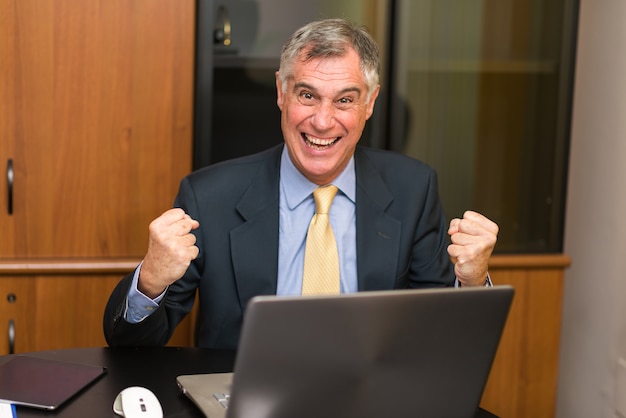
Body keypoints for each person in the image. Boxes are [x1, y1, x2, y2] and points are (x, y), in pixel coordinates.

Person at [103, 18, 498, 350]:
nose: (323, 122)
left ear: (371, 103)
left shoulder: (414, 188)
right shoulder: (209, 197)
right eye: (308, 95)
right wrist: (151, 280)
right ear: (281, 92)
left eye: (345, 100)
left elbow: (442, 343)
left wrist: (472, 283)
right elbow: (130, 346)